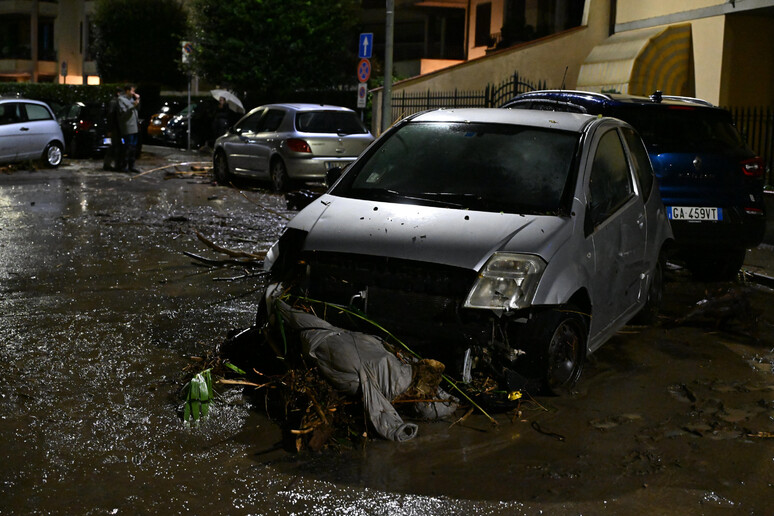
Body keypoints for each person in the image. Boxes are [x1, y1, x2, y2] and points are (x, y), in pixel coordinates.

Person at [117, 84, 141, 172]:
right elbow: (124, 112)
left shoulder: (131, 99)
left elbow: (137, 108)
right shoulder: (121, 100)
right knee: (127, 146)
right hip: (127, 126)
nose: (133, 93)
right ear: (127, 91)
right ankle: (124, 166)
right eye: (132, 91)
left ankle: (132, 166)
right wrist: (133, 105)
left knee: (133, 147)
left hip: (135, 126)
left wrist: (137, 100)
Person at [103, 87, 124, 171]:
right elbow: (111, 116)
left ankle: (111, 164)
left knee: (115, 146)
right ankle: (113, 164)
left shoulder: (115, 102)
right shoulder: (114, 102)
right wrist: (110, 129)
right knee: (115, 146)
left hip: (116, 127)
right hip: (115, 128)